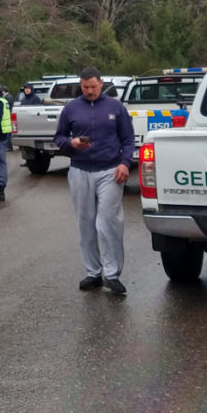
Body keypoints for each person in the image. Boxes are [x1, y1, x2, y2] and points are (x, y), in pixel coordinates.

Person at [53, 66, 135, 295]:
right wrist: (72, 144)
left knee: (107, 222)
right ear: (81, 86)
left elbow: (128, 139)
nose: (89, 91)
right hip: (80, 171)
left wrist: (124, 163)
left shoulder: (115, 107)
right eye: (85, 87)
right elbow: (58, 137)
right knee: (86, 223)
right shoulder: (71, 108)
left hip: (110, 171)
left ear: (101, 84)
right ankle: (93, 273)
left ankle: (112, 274)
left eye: (93, 87)